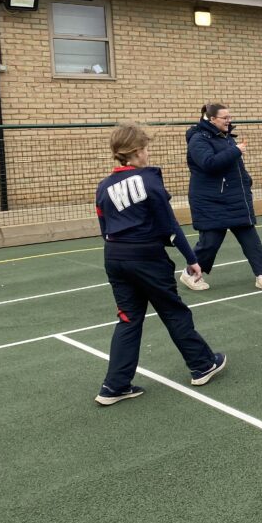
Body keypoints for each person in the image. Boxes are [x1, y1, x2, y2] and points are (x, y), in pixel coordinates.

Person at [93, 122, 226, 406]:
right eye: (146, 148)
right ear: (137, 151)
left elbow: (104, 225)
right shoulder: (149, 180)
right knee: (173, 311)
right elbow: (169, 224)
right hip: (146, 257)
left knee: (128, 319)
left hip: (114, 255)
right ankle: (202, 364)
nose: (148, 153)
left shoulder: (103, 187)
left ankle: (114, 385)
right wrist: (192, 259)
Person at [182, 103, 262, 292]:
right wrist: (236, 150)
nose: (229, 121)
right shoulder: (198, 140)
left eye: (229, 117)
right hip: (210, 201)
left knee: (250, 238)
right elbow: (209, 164)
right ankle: (190, 274)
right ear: (211, 119)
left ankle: (261, 275)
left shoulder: (226, 138)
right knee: (210, 243)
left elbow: (233, 166)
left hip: (234, 198)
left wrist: (246, 180)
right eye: (225, 118)